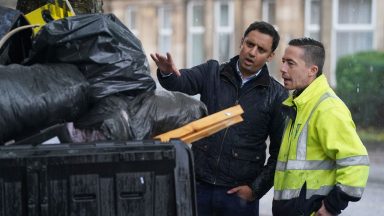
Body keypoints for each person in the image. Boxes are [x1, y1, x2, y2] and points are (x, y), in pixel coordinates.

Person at [150, 21, 288, 216]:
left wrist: (255, 189)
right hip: (199, 188)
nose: (252, 52)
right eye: (250, 44)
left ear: (271, 56)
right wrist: (166, 72)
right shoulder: (212, 72)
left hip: (239, 196)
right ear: (241, 42)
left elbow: (281, 153)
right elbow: (181, 81)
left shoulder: (276, 95)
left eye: (261, 49)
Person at [273, 37, 370, 216]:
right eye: (283, 62)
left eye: (291, 63)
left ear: (312, 70)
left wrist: (331, 207)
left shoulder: (327, 108)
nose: (283, 69)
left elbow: (356, 163)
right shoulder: (299, 104)